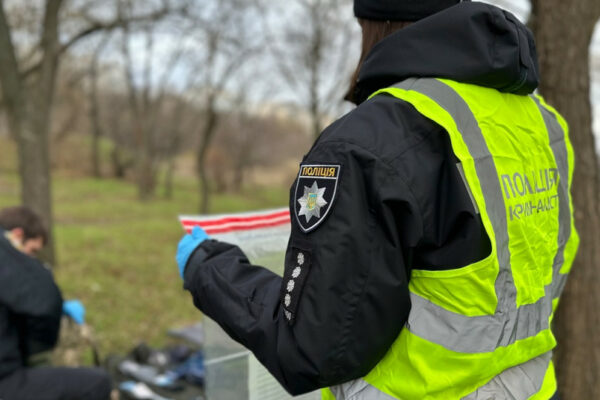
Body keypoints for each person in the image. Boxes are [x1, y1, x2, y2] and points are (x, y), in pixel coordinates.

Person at [176, 1, 578, 399]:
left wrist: (206, 266)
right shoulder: (543, 124)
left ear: (373, 24)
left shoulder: (368, 142)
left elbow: (311, 348)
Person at [0, 206, 112, 400]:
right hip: (5, 380)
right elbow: (45, 300)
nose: (31, 259)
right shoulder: (7, 256)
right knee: (98, 382)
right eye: (32, 251)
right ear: (16, 237)